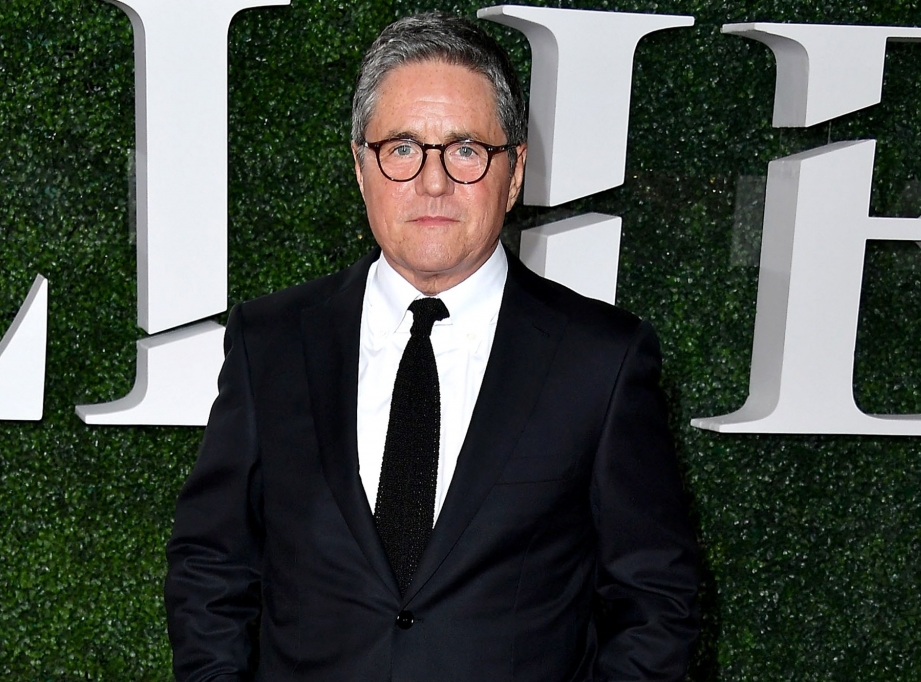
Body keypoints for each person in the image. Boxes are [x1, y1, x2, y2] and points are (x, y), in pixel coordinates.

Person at [165, 11, 699, 682]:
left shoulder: (601, 361)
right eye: (402, 148)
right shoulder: (270, 343)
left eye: (466, 150)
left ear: (514, 172)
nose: (434, 181)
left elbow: (655, 598)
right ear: (361, 166)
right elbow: (211, 567)